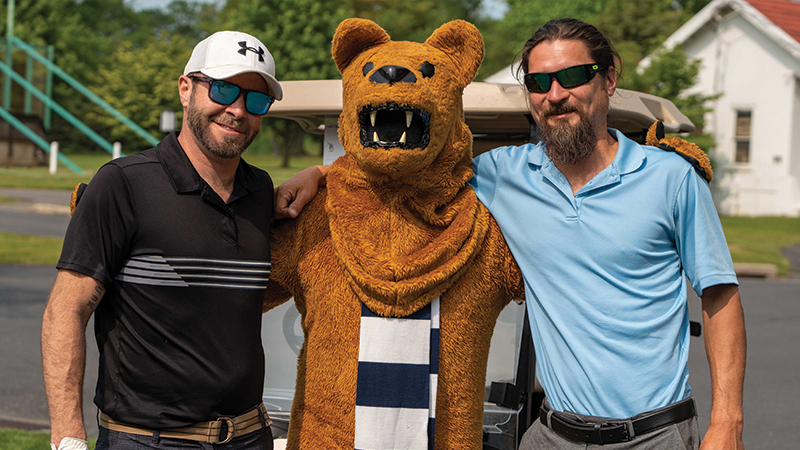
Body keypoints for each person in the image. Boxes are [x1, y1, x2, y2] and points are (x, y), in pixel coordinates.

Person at [275, 18, 745, 450]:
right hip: (553, 434)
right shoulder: (503, 174)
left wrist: (727, 422)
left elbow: (720, 294)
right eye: (539, 83)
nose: (555, 94)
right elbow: (417, 173)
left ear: (609, 77)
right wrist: (321, 173)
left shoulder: (669, 177)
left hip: (653, 433)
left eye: (573, 76)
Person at [42, 31, 283, 450]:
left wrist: (319, 174)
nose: (238, 110)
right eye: (224, 89)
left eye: (256, 100)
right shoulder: (123, 184)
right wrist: (68, 437)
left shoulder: (261, 191)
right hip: (146, 441)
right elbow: (66, 311)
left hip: (249, 436)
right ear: (186, 89)